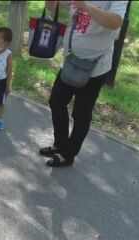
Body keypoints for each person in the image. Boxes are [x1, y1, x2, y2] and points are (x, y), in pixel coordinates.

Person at [41, 0, 127, 167]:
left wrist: (86, 5)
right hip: (71, 60)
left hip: (94, 68)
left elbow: (115, 22)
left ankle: (68, 154)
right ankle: (60, 144)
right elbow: (53, 8)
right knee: (56, 102)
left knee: (80, 113)